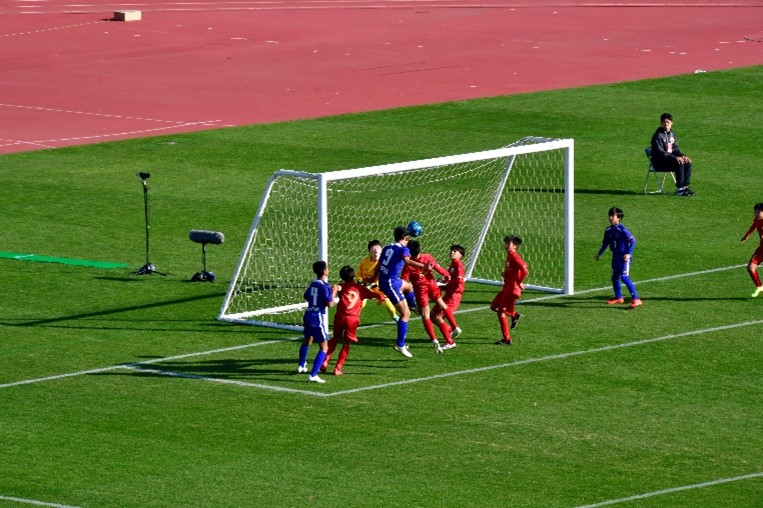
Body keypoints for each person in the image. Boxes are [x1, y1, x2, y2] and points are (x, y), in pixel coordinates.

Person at [374, 225, 430, 358]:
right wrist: (423, 266)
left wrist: (372, 277)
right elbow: (406, 260)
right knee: (405, 314)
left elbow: (379, 264)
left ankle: (412, 304)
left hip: (391, 280)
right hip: (390, 283)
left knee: (409, 287)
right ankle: (400, 344)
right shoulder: (404, 249)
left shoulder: (387, 247)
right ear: (406, 237)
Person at [321, 265, 384, 376]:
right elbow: (374, 295)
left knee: (335, 339)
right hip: (352, 319)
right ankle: (338, 368)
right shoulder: (360, 288)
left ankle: (325, 361)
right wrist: (382, 297)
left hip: (340, 316)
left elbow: (336, 288)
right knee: (346, 343)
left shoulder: (341, 286)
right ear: (353, 275)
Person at [402, 240, 461, 353]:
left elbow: (404, 281)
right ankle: (454, 327)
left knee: (426, 315)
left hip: (421, 291)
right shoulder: (427, 257)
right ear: (420, 249)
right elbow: (439, 269)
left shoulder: (408, 265)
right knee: (442, 304)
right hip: (432, 285)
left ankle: (434, 340)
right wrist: (446, 276)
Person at [297, 260, 337, 383]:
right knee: (324, 347)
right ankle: (313, 374)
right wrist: (334, 290)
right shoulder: (324, 286)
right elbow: (330, 304)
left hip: (308, 314)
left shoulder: (313, 283)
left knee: (308, 340)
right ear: (325, 271)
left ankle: (301, 365)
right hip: (317, 317)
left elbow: (306, 296)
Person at [595, 207, 642, 309]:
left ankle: (636, 299)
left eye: (613, 216)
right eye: (609, 215)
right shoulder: (608, 230)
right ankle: (619, 297)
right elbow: (605, 243)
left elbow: (633, 241)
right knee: (615, 277)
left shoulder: (623, 229)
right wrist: (599, 254)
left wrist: (629, 253)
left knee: (624, 277)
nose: (610, 217)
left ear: (619, 218)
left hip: (624, 258)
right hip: (615, 257)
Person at [492, 235, 529, 345]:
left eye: (509, 243)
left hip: (512, 290)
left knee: (500, 311)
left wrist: (519, 282)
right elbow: (514, 271)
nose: (506, 245)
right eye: (506, 243)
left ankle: (506, 338)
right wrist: (506, 275)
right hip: (506, 288)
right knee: (493, 306)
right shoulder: (509, 256)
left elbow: (525, 270)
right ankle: (514, 315)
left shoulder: (514, 256)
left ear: (515, 246)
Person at [650, 112, 695, 197]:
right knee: (679, 162)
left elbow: (676, 149)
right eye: (664, 122)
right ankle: (679, 189)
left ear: (671, 123)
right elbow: (660, 152)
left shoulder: (672, 134)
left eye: (668, 122)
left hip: (669, 160)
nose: (666, 124)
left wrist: (683, 156)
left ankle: (685, 187)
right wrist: (675, 158)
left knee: (687, 162)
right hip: (659, 162)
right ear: (661, 123)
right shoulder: (657, 136)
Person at [356, 239, 399, 322]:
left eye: (378, 247)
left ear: (381, 250)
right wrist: (360, 280)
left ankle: (394, 316)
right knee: (361, 303)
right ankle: (355, 317)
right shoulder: (364, 261)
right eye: (373, 247)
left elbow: (385, 277)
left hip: (379, 287)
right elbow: (358, 274)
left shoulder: (384, 263)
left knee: (387, 304)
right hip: (366, 286)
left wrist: (375, 284)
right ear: (369, 250)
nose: (375, 249)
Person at [432, 244, 466, 348]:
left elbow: (459, 280)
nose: (452, 252)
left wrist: (447, 283)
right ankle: (450, 330)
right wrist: (441, 284)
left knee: (437, 317)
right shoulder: (453, 264)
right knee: (432, 315)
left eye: (455, 251)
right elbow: (451, 281)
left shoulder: (458, 264)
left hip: (454, 296)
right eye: (451, 250)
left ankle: (449, 341)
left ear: (460, 255)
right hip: (449, 294)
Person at [740, 202, 763, 298]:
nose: (756, 214)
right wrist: (746, 236)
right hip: (762, 249)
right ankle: (760, 286)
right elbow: (753, 227)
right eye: (755, 212)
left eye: (758, 212)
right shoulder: (757, 220)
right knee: (750, 267)